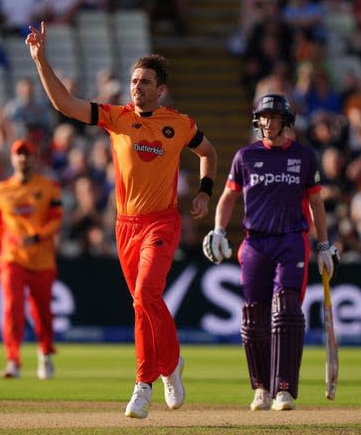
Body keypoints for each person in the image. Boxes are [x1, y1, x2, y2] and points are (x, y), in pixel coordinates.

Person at [25, 21, 218, 418]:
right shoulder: (117, 118)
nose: (136, 86)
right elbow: (65, 104)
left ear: (160, 89)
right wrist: (40, 60)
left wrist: (204, 192)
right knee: (142, 304)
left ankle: (143, 384)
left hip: (162, 223)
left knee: (147, 293)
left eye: (145, 81)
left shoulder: (178, 124)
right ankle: (172, 364)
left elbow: (209, 154)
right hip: (125, 226)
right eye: (133, 80)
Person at [202, 93, 340, 412]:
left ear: (286, 122)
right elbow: (227, 197)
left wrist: (323, 244)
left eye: (274, 117)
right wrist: (219, 230)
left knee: (288, 311)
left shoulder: (304, 157)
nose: (267, 122)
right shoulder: (245, 156)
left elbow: (317, 203)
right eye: (263, 117)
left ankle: (284, 389)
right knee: (254, 317)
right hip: (255, 242)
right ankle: (261, 388)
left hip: (291, 238)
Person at [0, 138, 63, 380]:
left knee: (42, 312)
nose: (23, 159)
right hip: (12, 257)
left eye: (27, 154)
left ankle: (45, 353)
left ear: (34, 158)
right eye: (18, 154)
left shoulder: (49, 187)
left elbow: (56, 219)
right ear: (12, 158)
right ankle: (13, 360)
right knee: (12, 308)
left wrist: (39, 236)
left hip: (42, 259)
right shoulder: (0, 190)